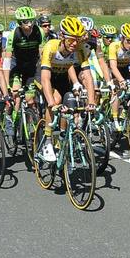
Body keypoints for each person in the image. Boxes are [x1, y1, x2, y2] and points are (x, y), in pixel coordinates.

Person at [36, 16, 92, 163]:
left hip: (61, 77)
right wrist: (52, 104)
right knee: (56, 100)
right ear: (62, 36)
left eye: (78, 39)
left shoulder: (80, 49)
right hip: (45, 76)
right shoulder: (51, 47)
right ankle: (47, 141)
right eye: (70, 39)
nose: (74, 43)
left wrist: (92, 102)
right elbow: (45, 79)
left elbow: (88, 76)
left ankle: (61, 136)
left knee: (70, 106)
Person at [105, 23, 130, 131]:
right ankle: (115, 120)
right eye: (128, 41)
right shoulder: (114, 46)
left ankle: (126, 110)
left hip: (126, 69)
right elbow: (113, 67)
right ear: (122, 38)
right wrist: (121, 81)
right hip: (115, 70)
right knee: (117, 91)